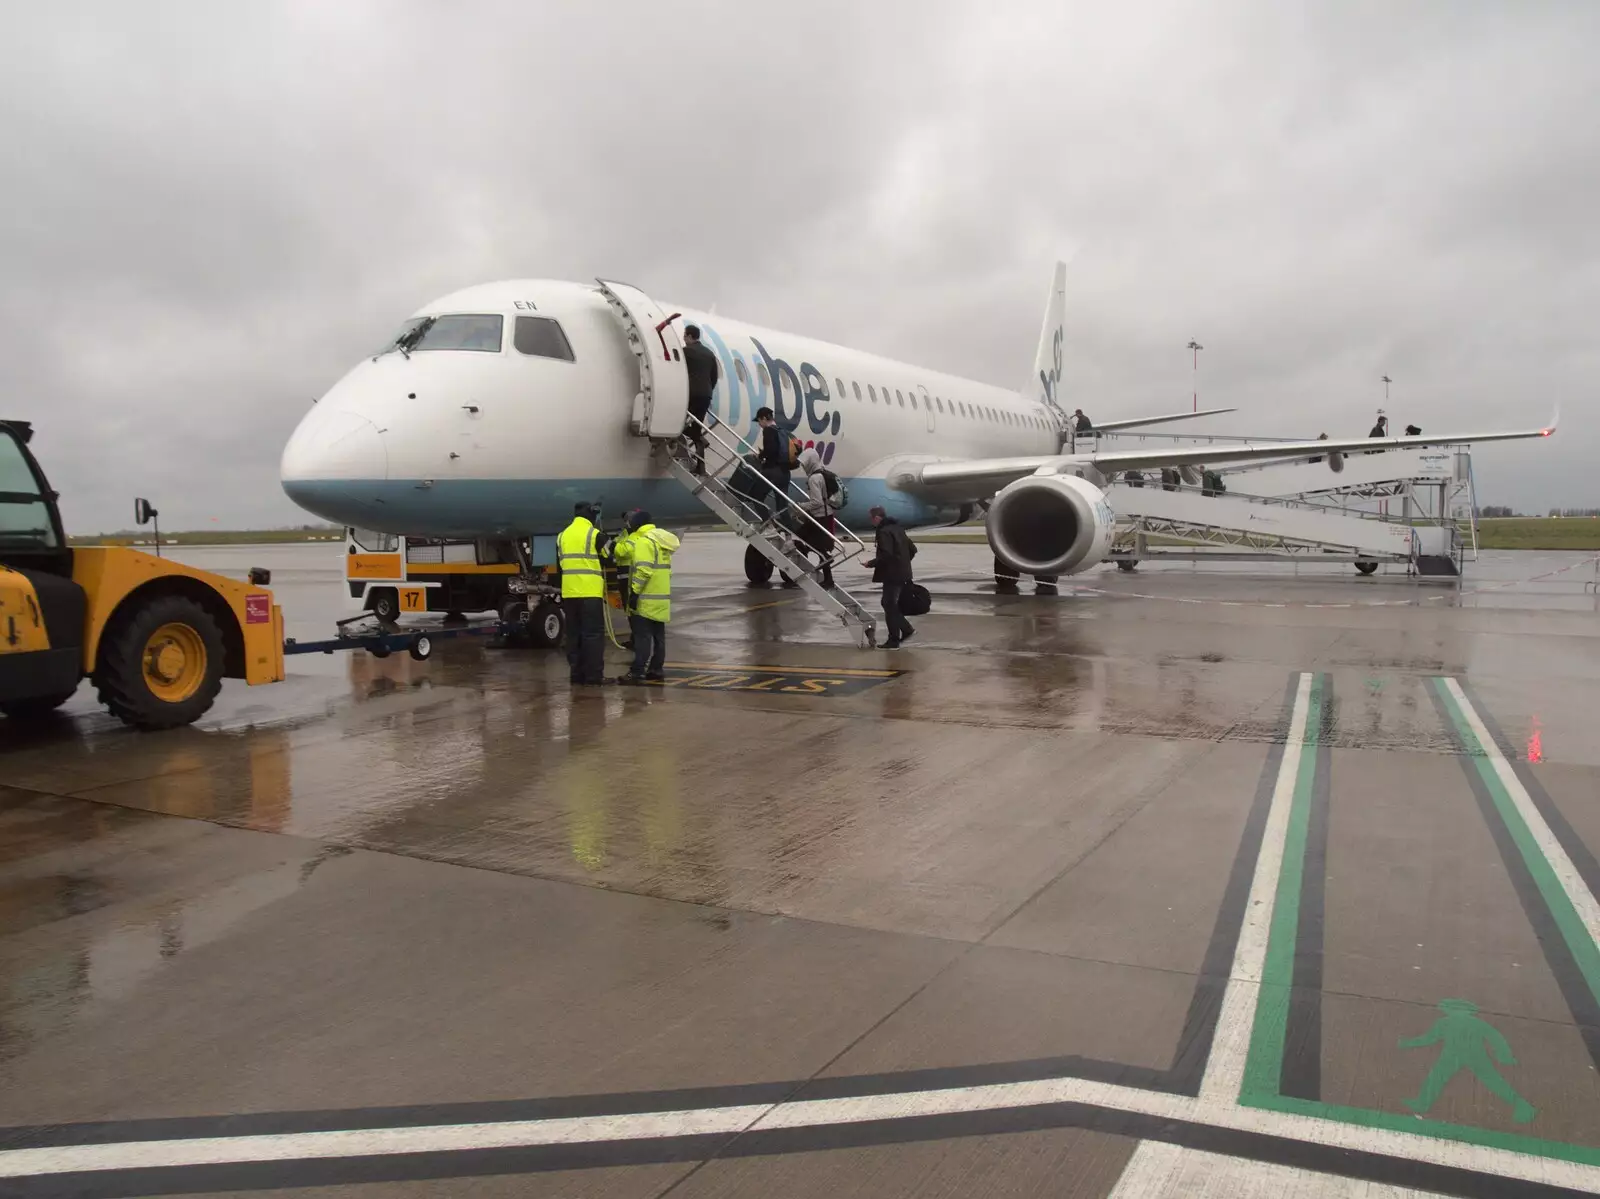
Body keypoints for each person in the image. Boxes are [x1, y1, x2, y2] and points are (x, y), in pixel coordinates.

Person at [617, 509, 679, 685]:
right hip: (661, 598)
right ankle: (656, 669)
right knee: (659, 638)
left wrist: (634, 593)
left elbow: (643, 571)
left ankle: (637, 671)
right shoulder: (661, 541)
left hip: (645, 598)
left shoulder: (644, 542)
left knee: (643, 638)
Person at [558, 502, 610, 686]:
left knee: (573, 635)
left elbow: (561, 564)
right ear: (592, 516)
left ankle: (576, 674)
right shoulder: (595, 534)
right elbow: (609, 557)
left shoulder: (562, 535)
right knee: (593, 635)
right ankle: (594, 676)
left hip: (570, 593)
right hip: (590, 592)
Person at [863, 505, 916, 648]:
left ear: (877, 518)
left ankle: (896, 638)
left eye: (871, 518)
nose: (871, 521)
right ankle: (904, 630)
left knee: (888, 604)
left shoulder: (883, 532)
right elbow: (912, 549)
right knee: (889, 604)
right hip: (902, 572)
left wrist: (871, 563)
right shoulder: (898, 528)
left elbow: (886, 554)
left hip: (892, 574)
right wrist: (903, 563)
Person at [795, 447, 838, 588]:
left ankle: (824, 558)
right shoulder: (823, 473)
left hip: (819, 516)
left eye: (804, 464)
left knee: (802, 536)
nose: (803, 467)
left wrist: (801, 506)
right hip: (827, 514)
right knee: (819, 546)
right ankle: (829, 580)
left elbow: (816, 502)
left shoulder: (814, 478)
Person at [681, 325, 720, 474]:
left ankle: (699, 438)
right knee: (697, 427)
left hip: (691, 394)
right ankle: (701, 467)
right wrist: (707, 390)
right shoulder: (709, 353)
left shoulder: (686, 352)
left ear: (690, 336)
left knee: (676, 425)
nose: (684, 339)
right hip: (706, 395)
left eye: (685, 336)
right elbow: (714, 377)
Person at [754, 407, 791, 520]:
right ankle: (788, 534)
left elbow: (771, 450)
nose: (760, 424)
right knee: (782, 506)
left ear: (764, 418)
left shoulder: (768, 430)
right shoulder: (781, 430)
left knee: (756, 496)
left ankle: (768, 524)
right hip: (785, 472)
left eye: (759, 421)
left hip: (773, 472)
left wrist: (760, 456)